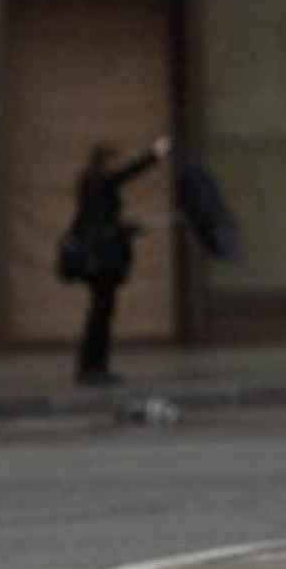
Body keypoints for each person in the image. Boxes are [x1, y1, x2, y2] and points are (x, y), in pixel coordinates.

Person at [72, 135, 171, 385]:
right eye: (114, 161)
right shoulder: (101, 182)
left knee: (99, 313)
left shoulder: (90, 184)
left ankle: (92, 366)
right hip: (103, 260)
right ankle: (94, 368)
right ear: (106, 162)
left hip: (96, 259)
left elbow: (100, 222)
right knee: (101, 314)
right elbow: (128, 173)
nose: (116, 166)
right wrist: (155, 153)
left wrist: (129, 229)